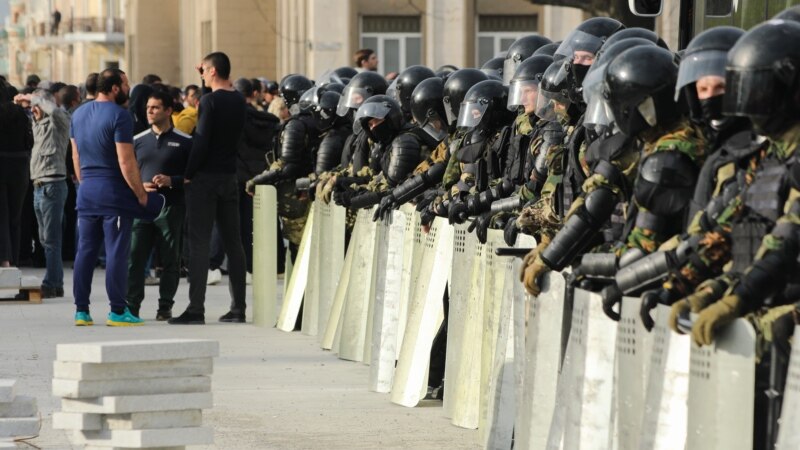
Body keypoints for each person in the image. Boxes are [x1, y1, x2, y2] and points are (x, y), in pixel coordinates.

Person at [70, 68, 164, 327]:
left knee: (85, 252)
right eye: (125, 84)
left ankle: (81, 311)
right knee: (116, 253)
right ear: (114, 88)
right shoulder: (121, 116)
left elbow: (76, 156)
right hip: (113, 194)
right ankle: (117, 310)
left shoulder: (78, 114)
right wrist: (141, 194)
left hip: (87, 192)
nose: (128, 88)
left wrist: (85, 183)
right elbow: (126, 161)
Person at [170, 51, 248, 325]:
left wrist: (188, 174)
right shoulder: (239, 100)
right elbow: (220, 101)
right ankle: (238, 308)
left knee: (199, 244)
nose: (201, 73)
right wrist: (204, 79)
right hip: (229, 177)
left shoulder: (208, 101)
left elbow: (201, 140)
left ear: (212, 71)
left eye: (203, 70)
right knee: (233, 243)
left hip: (205, 179)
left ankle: (196, 309)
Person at [126, 91, 192, 321]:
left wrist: (171, 181)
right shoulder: (137, 140)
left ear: (168, 110)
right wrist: (139, 186)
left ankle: (165, 306)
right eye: (148, 108)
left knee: (170, 260)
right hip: (141, 208)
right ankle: (132, 306)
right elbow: (127, 172)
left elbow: (194, 177)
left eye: (155, 107)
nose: (150, 111)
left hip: (171, 208)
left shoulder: (185, 141)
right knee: (135, 258)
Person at [27, 89, 70, 298]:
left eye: (37, 104)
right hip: (39, 185)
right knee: (45, 240)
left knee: (52, 240)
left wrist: (35, 99)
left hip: (52, 185)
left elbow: (55, 112)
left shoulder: (58, 122)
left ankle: (52, 283)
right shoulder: (38, 124)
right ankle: (56, 283)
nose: (34, 109)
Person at [0, 79, 34, 268]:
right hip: (20, 165)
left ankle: (3, 259)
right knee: (15, 216)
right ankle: (14, 258)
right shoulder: (20, 113)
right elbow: (29, 140)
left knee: (2, 215)